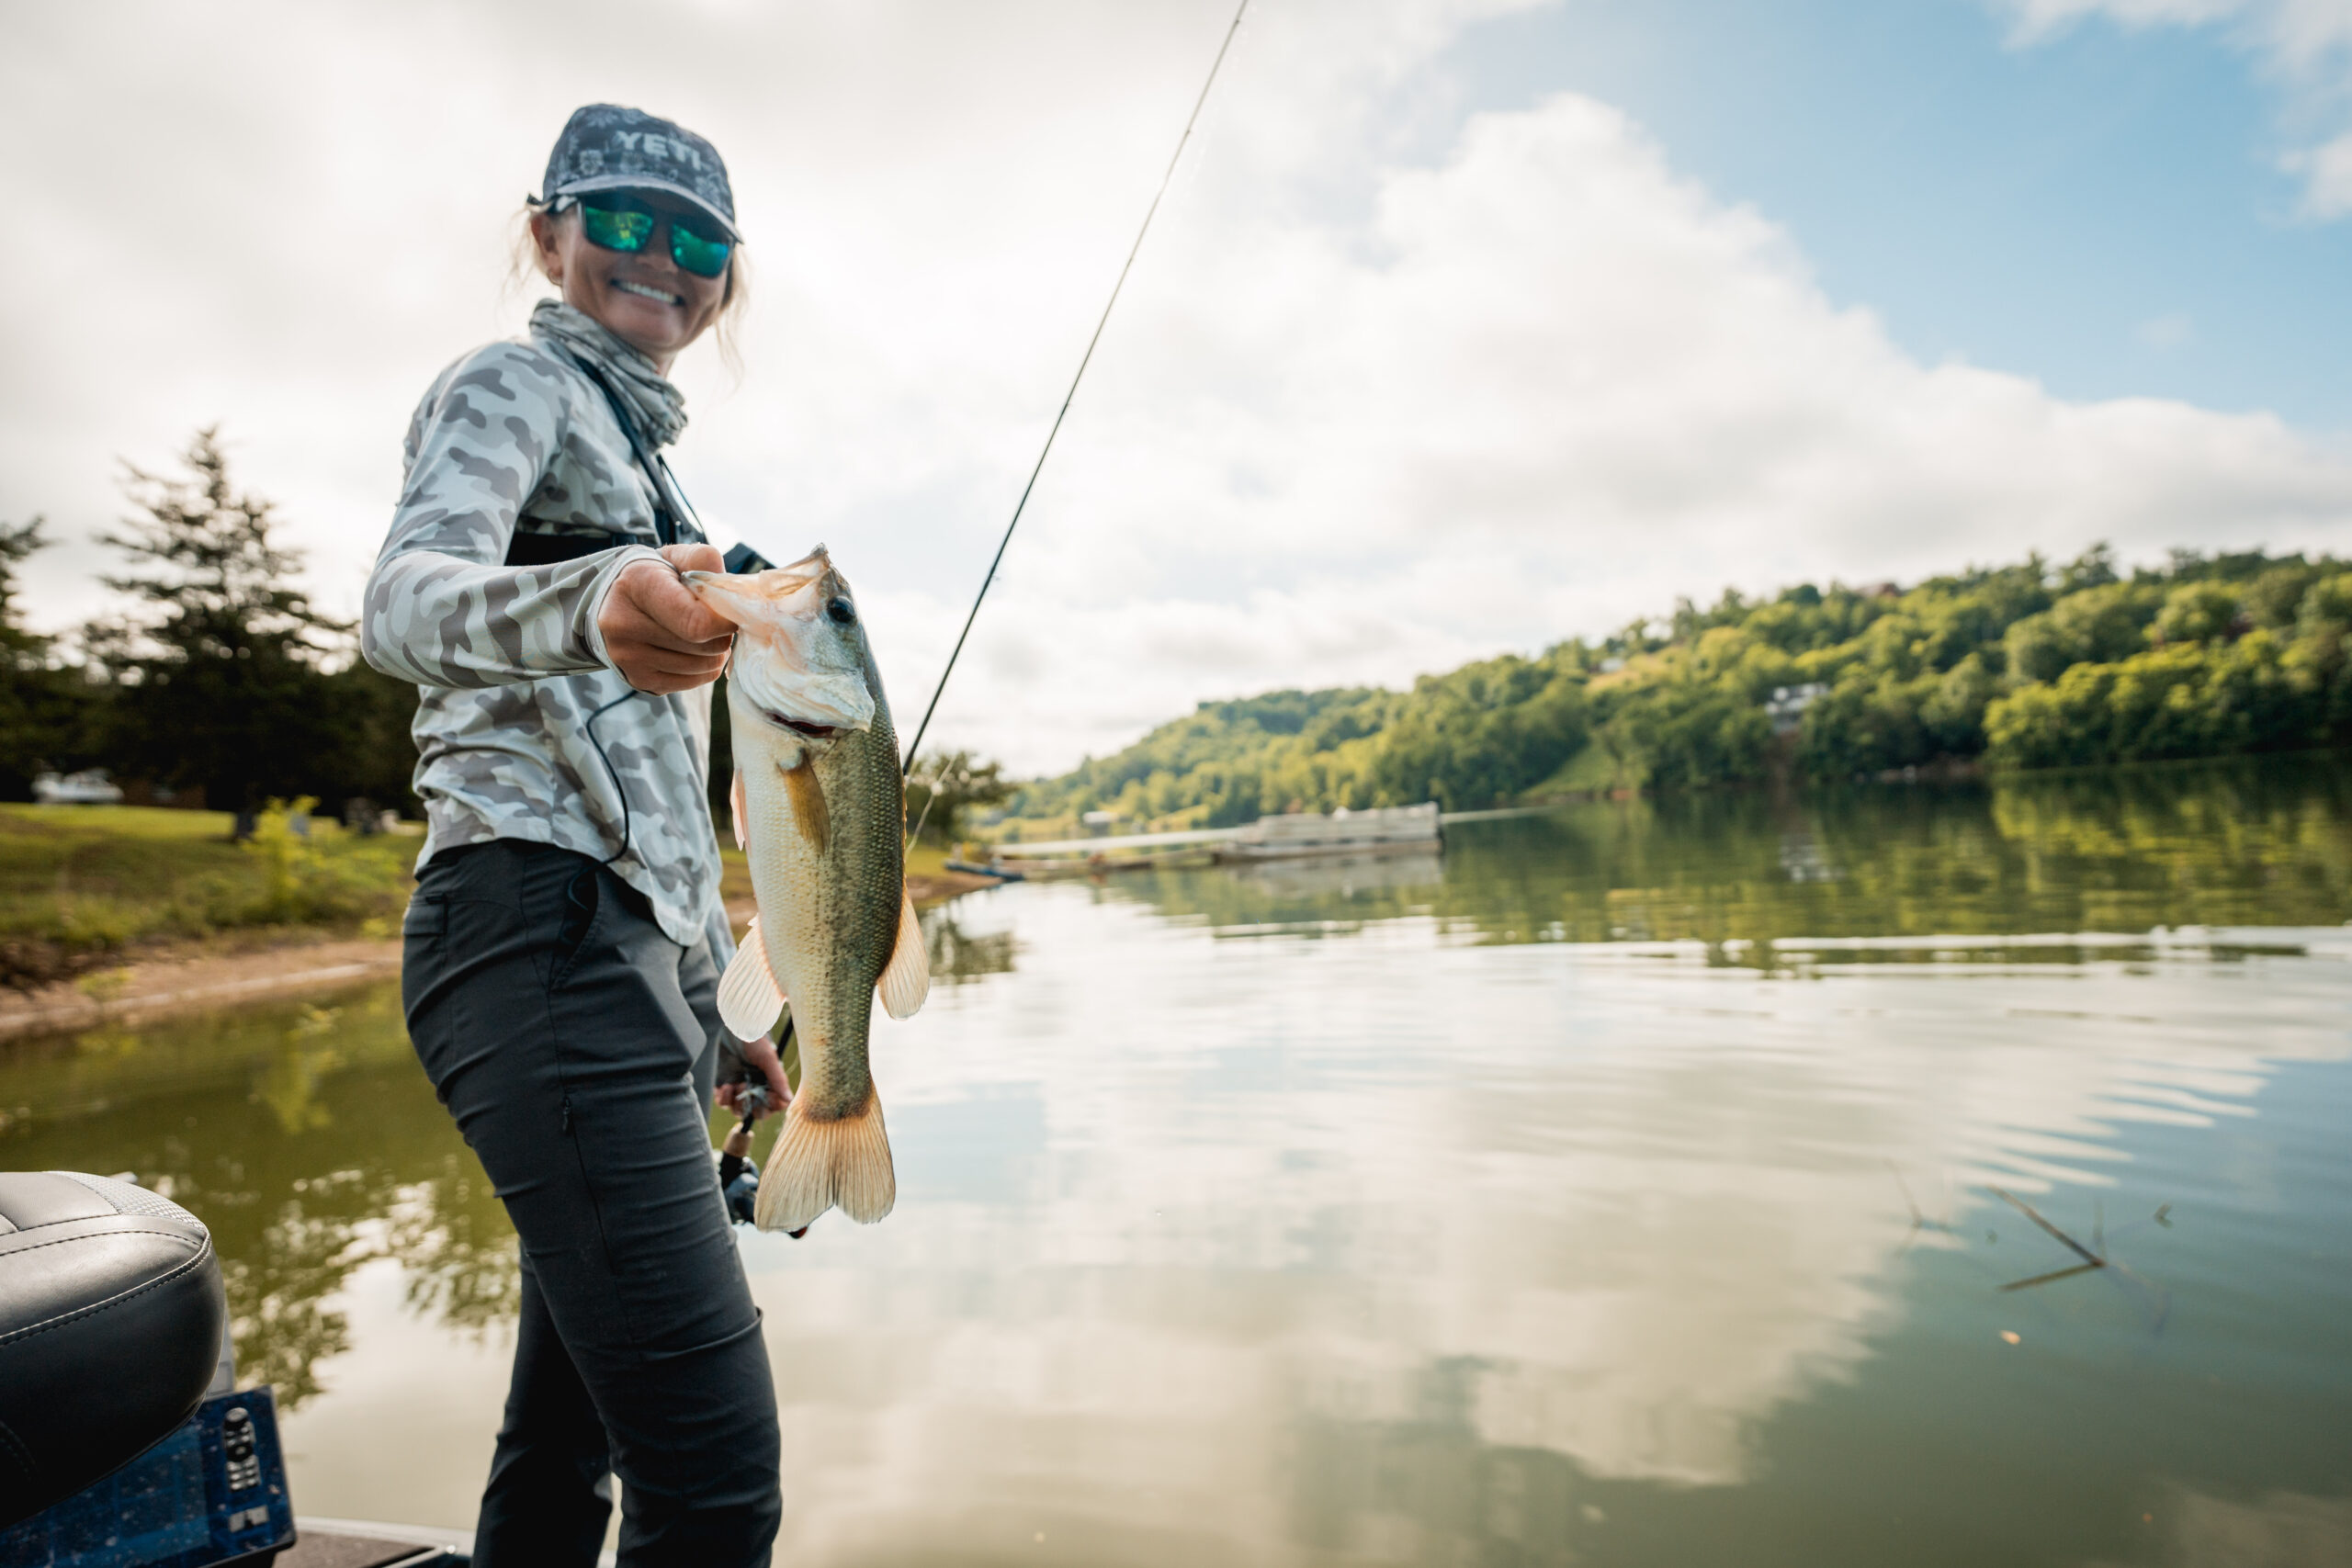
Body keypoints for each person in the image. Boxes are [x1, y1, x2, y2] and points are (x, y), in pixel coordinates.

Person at [362, 104, 790, 1568]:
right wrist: (589, 602)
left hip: (627, 969)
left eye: (699, 240)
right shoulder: (517, 383)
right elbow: (401, 602)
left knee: (566, 1451)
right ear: (546, 232)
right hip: (531, 935)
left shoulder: (651, 465)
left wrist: (713, 1011)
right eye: (619, 220)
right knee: (718, 1490)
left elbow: (655, 794)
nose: (659, 258)